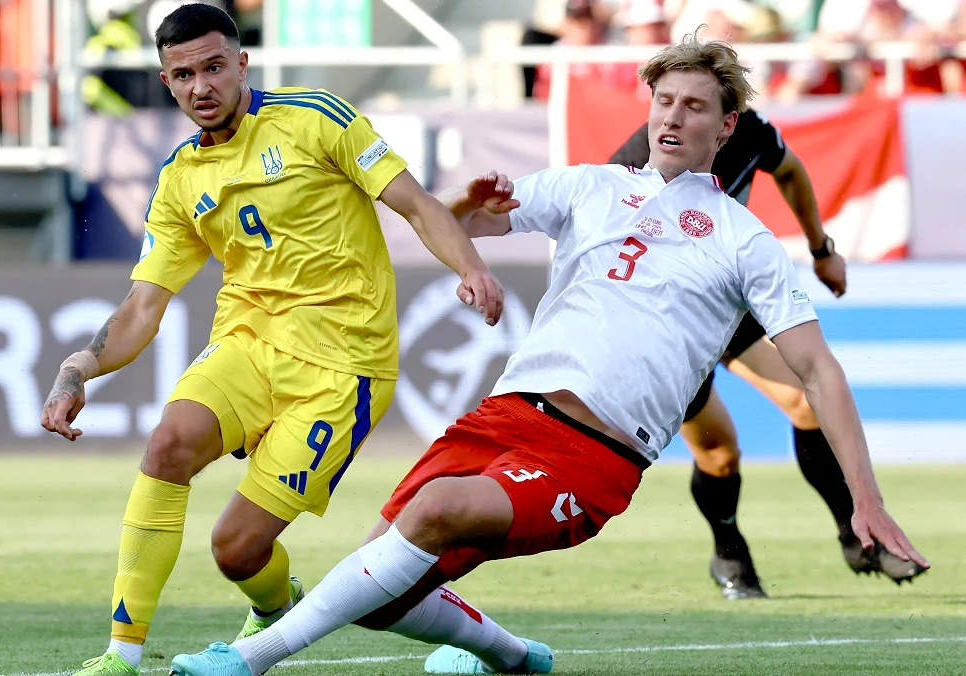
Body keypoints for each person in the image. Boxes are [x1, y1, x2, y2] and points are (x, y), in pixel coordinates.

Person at [167, 31, 930, 676]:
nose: (672, 117)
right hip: (504, 417)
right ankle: (513, 656)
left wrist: (867, 499)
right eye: (663, 101)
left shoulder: (745, 241)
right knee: (381, 589)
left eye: (694, 107)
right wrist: (469, 203)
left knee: (427, 517)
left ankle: (250, 660)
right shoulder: (589, 186)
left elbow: (819, 371)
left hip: (594, 455)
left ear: (727, 128)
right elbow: (464, 225)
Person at [39, 4, 505, 676]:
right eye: (183, 74)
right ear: (166, 82)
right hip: (247, 345)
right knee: (167, 445)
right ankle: (120, 656)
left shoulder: (317, 117)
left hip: (345, 367)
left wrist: (471, 268)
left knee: (236, 551)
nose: (201, 85)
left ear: (241, 63)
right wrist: (78, 366)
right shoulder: (177, 179)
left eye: (213, 67)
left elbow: (414, 202)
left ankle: (273, 601)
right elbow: (143, 308)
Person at [607, 105, 925, 598]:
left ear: (726, 118)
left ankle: (855, 532)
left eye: (702, 104)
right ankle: (728, 553)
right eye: (674, 102)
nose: (678, 118)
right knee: (719, 454)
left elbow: (791, 170)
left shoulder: (748, 131)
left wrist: (822, 249)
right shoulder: (633, 163)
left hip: (726, 302)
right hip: (666, 325)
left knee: (805, 400)